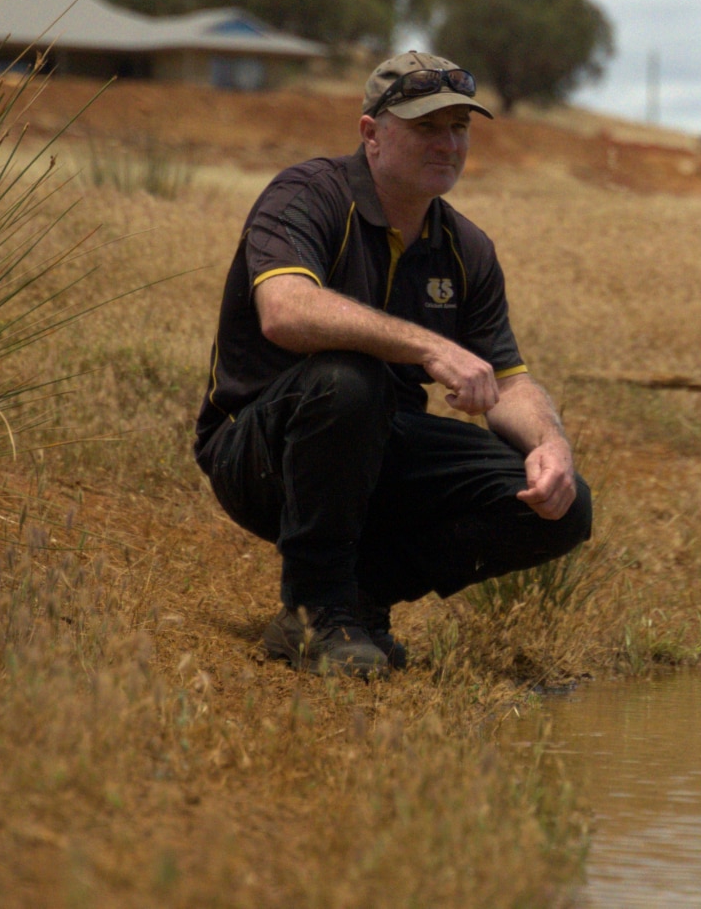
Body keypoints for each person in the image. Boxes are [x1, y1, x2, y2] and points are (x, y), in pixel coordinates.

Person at [193, 51, 591, 676]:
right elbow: (285, 310)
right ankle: (312, 612)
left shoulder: (467, 247)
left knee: (562, 506)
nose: (449, 144)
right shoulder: (306, 195)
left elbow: (507, 379)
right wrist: (430, 346)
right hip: (260, 452)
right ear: (371, 134)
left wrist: (550, 446)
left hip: (375, 451)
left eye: (459, 127)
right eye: (427, 127)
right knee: (352, 381)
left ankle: (360, 599)